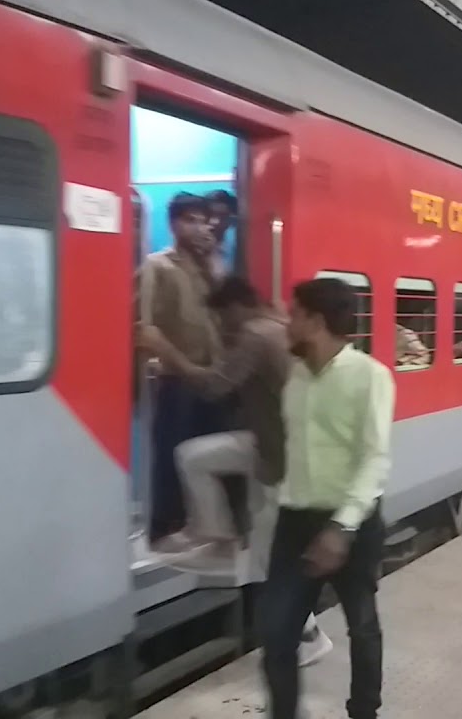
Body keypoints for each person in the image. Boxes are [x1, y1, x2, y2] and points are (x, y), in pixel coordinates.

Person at [137, 275, 334, 667]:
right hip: (269, 447)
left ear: (234, 308)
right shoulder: (277, 326)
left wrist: (164, 349)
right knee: (194, 456)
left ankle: (309, 636)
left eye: (222, 319)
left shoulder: (256, 335)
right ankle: (220, 532)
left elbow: (213, 386)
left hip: (283, 463)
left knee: (266, 558)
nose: (223, 328)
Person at [260, 278, 395, 719]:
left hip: (350, 525)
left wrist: (341, 527)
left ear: (315, 321)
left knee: (362, 626)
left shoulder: (371, 377)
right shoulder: (295, 376)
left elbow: (374, 458)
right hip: (295, 520)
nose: (286, 323)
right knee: (277, 633)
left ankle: (363, 712)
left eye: (293, 314)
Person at [136, 192, 224, 553]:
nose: (199, 227)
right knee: (173, 454)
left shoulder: (210, 269)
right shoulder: (157, 266)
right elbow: (145, 328)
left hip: (214, 378)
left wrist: (212, 262)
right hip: (178, 379)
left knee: (207, 454)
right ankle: (164, 528)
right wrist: (179, 365)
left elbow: (227, 312)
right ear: (173, 224)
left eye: (204, 221)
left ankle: (201, 524)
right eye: (190, 220)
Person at [205, 190, 238, 278]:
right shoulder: (191, 251)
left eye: (222, 216)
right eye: (210, 215)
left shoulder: (238, 251)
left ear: (231, 220)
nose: (215, 221)